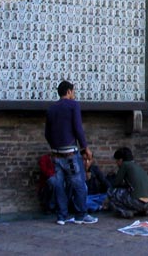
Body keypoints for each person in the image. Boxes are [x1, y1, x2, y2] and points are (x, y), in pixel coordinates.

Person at [44, 80, 98, 225]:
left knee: (59, 185)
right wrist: (85, 147)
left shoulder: (51, 109)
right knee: (78, 184)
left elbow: (47, 133)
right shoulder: (73, 105)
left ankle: (62, 216)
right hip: (70, 153)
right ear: (68, 91)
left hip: (56, 154)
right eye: (73, 91)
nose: (74, 94)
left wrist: (54, 146)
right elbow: (78, 128)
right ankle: (81, 214)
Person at [107, 147, 148, 218]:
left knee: (111, 191)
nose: (116, 163)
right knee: (127, 193)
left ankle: (125, 212)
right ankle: (142, 210)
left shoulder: (124, 165)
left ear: (121, 159)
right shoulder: (137, 166)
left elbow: (116, 183)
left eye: (117, 161)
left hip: (137, 202)